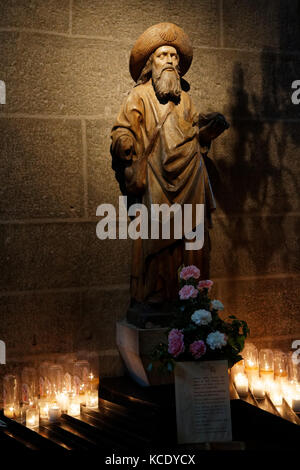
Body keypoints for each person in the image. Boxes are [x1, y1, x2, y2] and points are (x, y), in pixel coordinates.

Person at [111, 23, 229, 317]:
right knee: (157, 237)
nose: (170, 61)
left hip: (191, 176)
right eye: (163, 55)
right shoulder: (139, 96)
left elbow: (193, 137)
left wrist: (207, 134)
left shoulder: (185, 100)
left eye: (174, 57)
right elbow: (122, 129)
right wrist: (124, 141)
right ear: (151, 63)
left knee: (191, 237)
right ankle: (153, 297)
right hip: (155, 178)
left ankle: (189, 298)